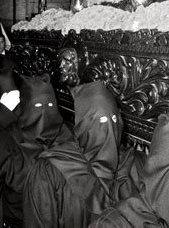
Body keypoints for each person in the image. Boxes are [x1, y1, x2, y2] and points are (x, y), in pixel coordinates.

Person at [23, 80, 123, 228]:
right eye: (100, 119)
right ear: (84, 125)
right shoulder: (49, 171)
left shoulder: (127, 163)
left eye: (113, 119)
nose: (108, 127)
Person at [0, 73, 67, 228]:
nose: (44, 112)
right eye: (37, 106)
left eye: (50, 106)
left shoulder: (63, 138)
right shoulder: (2, 145)